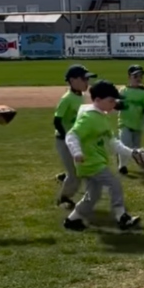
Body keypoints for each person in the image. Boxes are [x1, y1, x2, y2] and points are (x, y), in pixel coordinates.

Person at [63, 80, 142, 232]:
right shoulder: (89, 118)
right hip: (90, 162)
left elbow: (113, 143)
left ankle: (72, 220)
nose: (114, 104)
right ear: (97, 100)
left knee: (93, 194)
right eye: (111, 101)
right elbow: (71, 135)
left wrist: (132, 152)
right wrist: (77, 153)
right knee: (114, 183)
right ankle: (121, 216)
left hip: (92, 162)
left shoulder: (102, 117)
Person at [53, 64, 96, 209]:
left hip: (74, 140)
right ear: (72, 80)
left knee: (81, 169)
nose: (87, 83)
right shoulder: (67, 98)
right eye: (84, 79)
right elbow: (57, 120)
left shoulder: (80, 96)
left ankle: (65, 177)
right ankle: (63, 198)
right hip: (64, 140)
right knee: (75, 175)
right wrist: (67, 137)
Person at [117, 64, 144, 175]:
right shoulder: (123, 91)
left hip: (137, 125)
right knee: (125, 144)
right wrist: (117, 104)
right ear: (129, 77)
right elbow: (117, 104)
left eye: (140, 76)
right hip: (124, 123)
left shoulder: (143, 93)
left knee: (136, 146)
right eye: (135, 76)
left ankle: (142, 161)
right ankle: (122, 166)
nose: (139, 78)